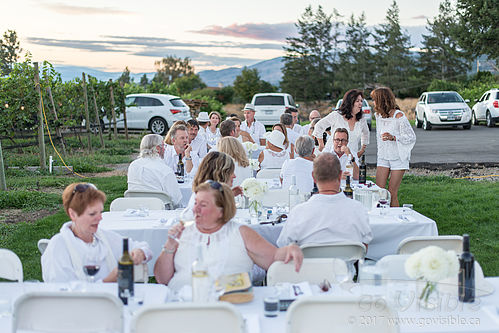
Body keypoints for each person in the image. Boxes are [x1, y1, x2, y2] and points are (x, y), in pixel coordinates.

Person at [154, 181, 303, 290]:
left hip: (228, 307)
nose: (195, 209)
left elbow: (274, 257)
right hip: (181, 306)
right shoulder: (183, 231)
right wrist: (169, 246)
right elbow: (162, 279)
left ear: (222, 211)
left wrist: (291, 249)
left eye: (203, 205)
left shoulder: (240, 233)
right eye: (196, 203)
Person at [42, 183, 152, 283]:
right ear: (73, 214)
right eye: (92, 214)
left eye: (100, 212)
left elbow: (142, 247)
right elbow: (61, 293)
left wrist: (140, 252)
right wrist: (107, 282)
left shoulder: (103, 238)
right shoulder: (58, 246)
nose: (99, 218)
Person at [277, 153, 372, 249]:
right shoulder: (358, 209)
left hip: (309, 263)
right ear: (340, 176)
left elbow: (284, 245)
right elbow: (364, 247)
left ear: (313, 177)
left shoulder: (298, 212)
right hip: (346, 263)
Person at [371, 87, 416, 207]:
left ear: (382, 100)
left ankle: (395, 220)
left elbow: (411, 137)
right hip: (383, 156)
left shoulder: (399, 116)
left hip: (398, 157)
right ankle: (380, 217)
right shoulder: (378, 116)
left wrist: (394, 137)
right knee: (379, 191)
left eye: (375, 100)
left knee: (392, 193)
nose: (373, 103)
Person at [127, 134, 182, 206]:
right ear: (158, 149)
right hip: (160, 212)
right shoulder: (165, 170)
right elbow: (177, 200)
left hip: (135, 208)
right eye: (163, 146)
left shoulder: (133, 166)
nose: (165, 149)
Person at [313, 89, 369, 158]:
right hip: (332, 156)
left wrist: (362, 150)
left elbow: (366, 133)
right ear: (350, 102)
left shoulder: (361, 119)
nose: (360, 103)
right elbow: (319, 126)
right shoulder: (336, 115)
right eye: (357, 101)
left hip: (351, 157)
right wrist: (321, 145)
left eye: (361, 101)